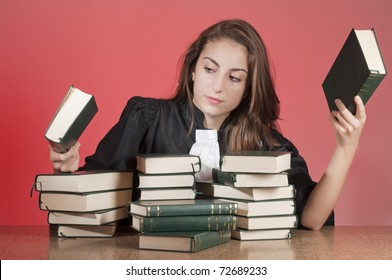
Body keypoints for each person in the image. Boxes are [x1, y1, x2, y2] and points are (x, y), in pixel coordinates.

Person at [49, 19, 366, 230]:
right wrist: (65, 172)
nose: (217, 86)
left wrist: (346, 146)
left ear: (247, 89)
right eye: (210, 69)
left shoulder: (265, 144)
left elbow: (311, 219)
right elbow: (90, 197)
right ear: (192, 71)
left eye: (234, 77)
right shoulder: (146, 117)